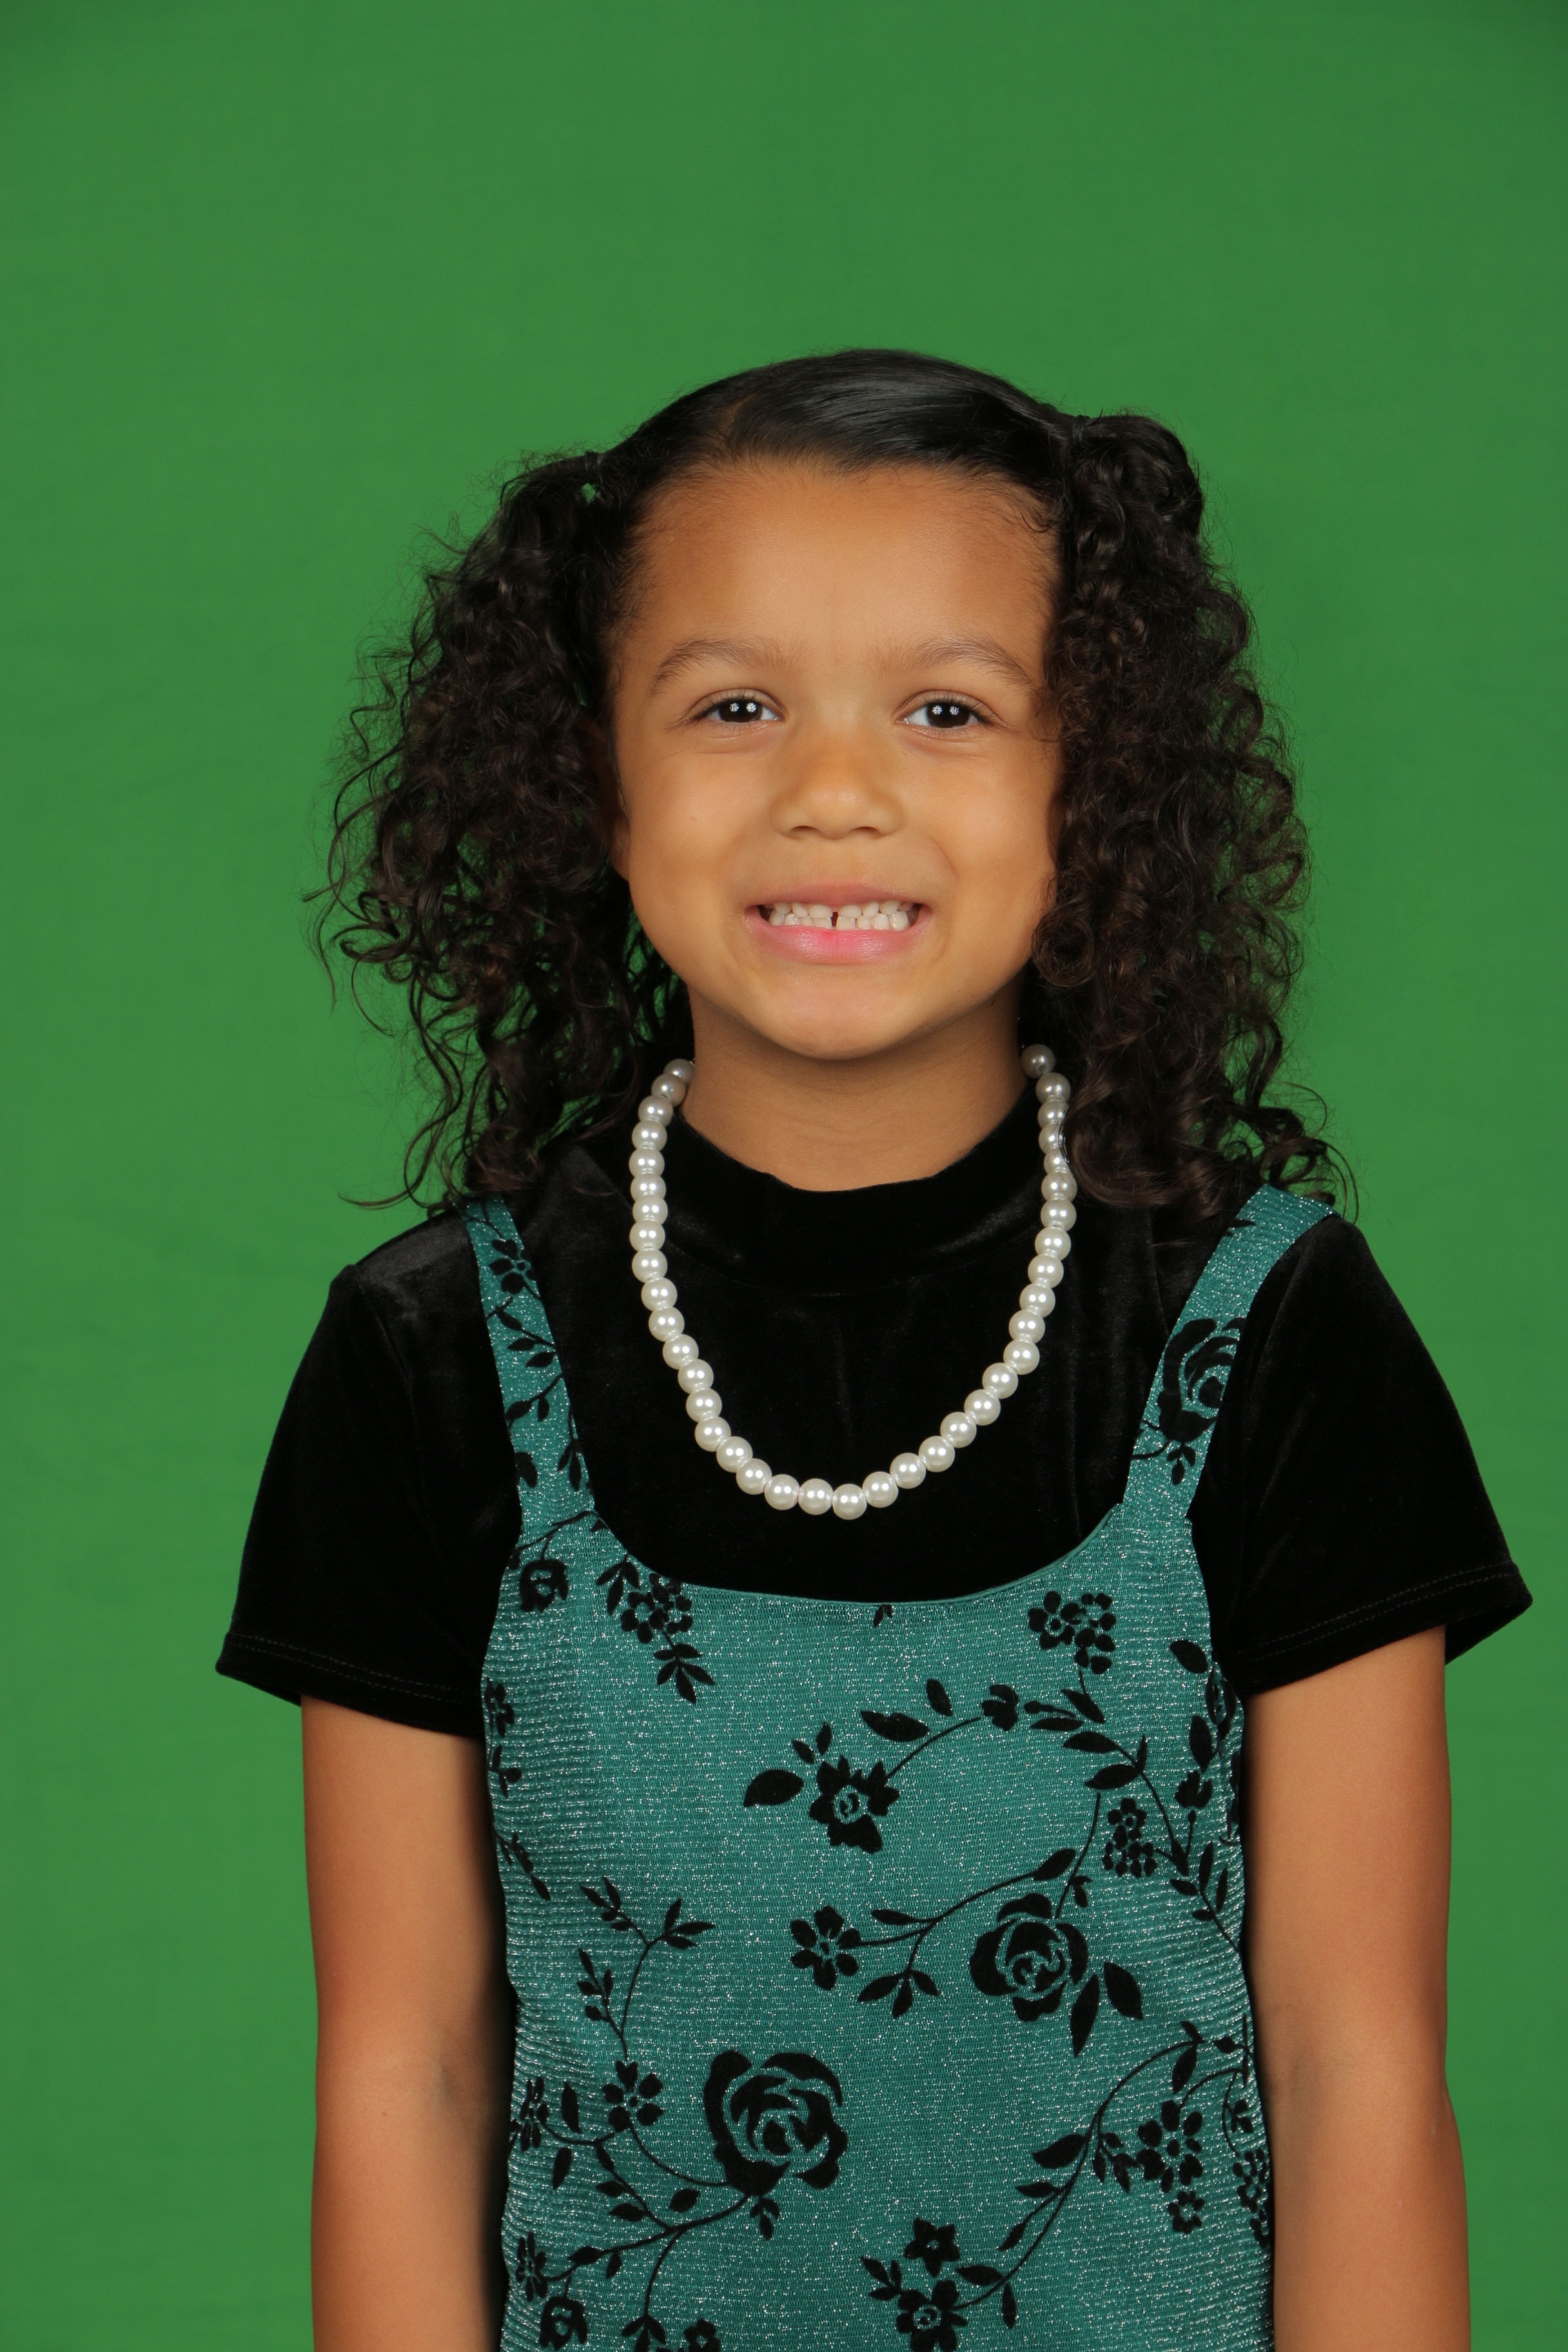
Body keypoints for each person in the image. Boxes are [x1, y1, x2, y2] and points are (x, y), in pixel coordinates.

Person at [220, 351, 1527, 2352]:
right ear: (594, 781)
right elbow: (411, 2077)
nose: (835, 790)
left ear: (1092, 784)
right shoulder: (432, 1358)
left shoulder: (1275, 1333)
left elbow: (1358, 2066)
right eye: (735, 707)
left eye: (948, 709)